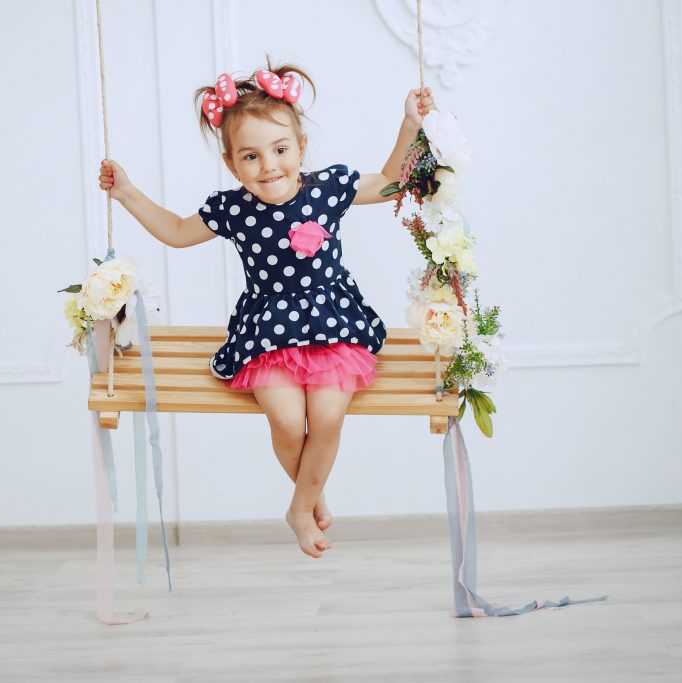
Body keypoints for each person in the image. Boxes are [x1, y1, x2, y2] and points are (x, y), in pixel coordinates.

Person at [99, 61, 435, 558]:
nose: (269, 166)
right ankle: (311, 496)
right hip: (268, 328)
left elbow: (390, 182)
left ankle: (299, 509)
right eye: (251, 156)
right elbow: (174, 231)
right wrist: (125, 192)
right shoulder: (233, 208)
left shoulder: (328, 189)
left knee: (326, 414)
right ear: (233, 165)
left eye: (280, 150)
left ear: (301, 148)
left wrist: (410, 124)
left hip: (334, 323)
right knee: (283, 418)